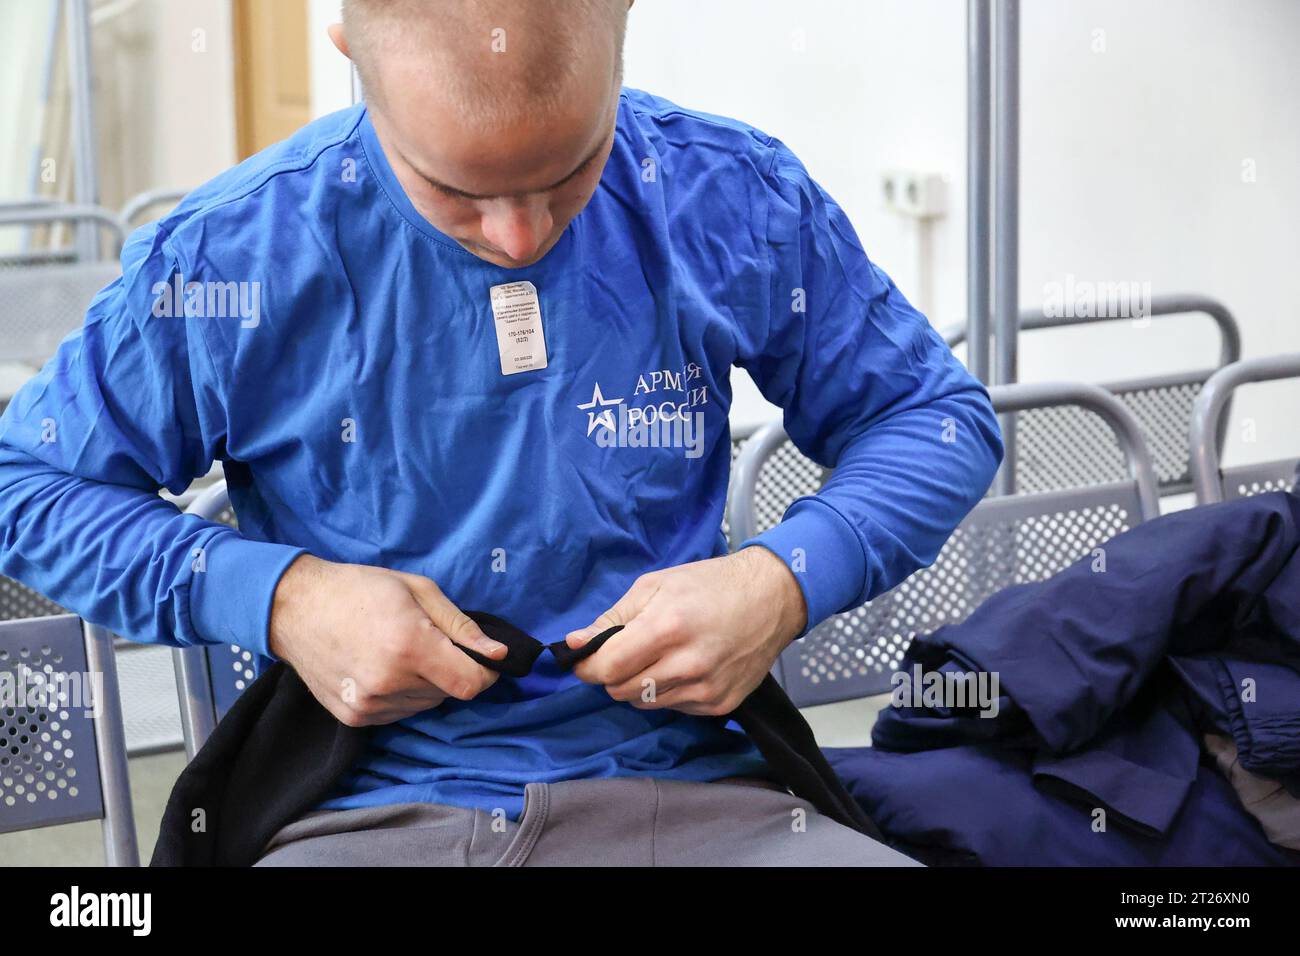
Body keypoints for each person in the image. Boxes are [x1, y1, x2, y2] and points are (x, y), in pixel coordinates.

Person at [0, 0, 1001, 866]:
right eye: (457, 191)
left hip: (704, 795)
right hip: (362, 812)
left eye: (569, 169)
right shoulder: (230, 257)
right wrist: (280, 596)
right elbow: (25, 484)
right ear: (350, 49)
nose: (521, 240)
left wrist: (782, 577)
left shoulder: (727, 196)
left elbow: (936, 417)